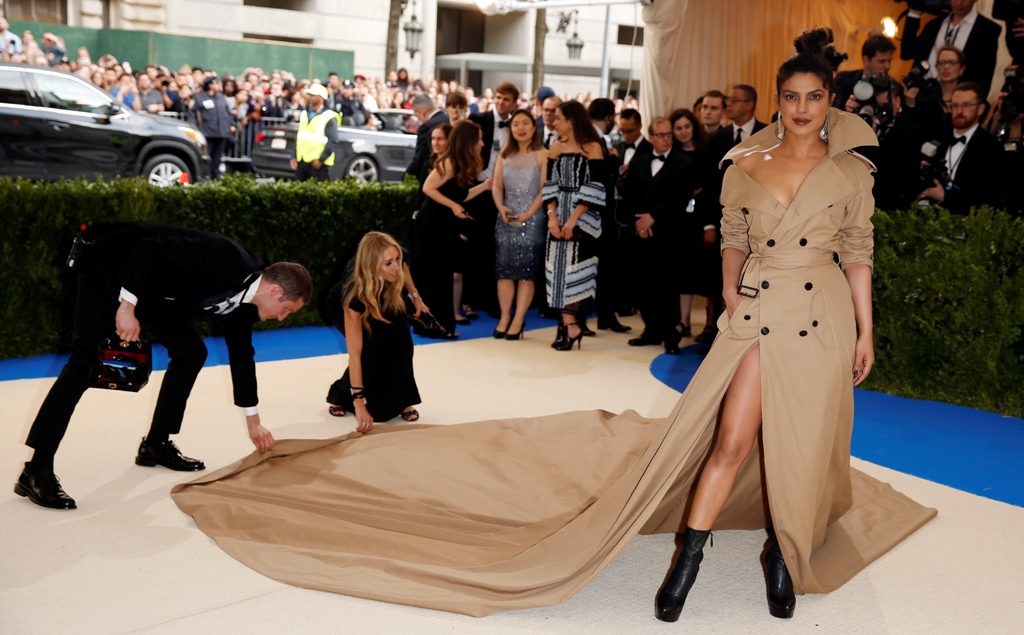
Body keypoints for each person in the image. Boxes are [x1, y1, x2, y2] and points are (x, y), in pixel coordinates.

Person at [653, 28, 892, 621]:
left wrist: (866, 331)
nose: (803, 109)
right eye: (791, 97)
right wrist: (731, 291)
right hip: (760, 308)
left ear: (830, 100)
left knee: (802, 447)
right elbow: (732, 239)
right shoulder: (744, 165)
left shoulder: (854, 172)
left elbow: (858, 253)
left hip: (822, 310)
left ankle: (784, 556)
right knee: (732, 441)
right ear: (777, 100)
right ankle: (688, 558)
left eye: (815, 97)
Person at [16, 223, 311, 510]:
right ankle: (36, 471)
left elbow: (242, 356)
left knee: (191, 352)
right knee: (83, 364)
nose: (283, 317)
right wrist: (127, 307)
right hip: (112, 264)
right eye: (287, 309)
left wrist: (253, 420)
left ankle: (156, 443)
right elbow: (150, 248)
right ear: (274, 291)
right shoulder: (226, 257)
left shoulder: (248, 304)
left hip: (157, 289)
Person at [326, 232, 424, 428]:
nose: (396, 266)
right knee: (369, 351)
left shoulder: (393, 267)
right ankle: (342, 393)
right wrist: (360, 405)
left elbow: (403, 267)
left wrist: (416, 297)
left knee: (402, 342)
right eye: (388, 263)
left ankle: (404, 398)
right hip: (349, 304)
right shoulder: (354, 295)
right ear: (372, 265)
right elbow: (355, 355)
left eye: (396, 259)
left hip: (386, 293)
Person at [622, 116, 699, 354]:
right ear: (651, 136)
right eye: (661, 134)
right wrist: (640, 223)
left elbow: (681, 198)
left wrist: (653, 217)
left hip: (669, 234)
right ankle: (650, 330)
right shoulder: (639, 162)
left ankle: (671, 337)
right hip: (642, 233)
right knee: (643, 285)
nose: (666, 138)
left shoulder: (685, 162)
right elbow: (632, 196)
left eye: (669, 134)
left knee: (667, 287)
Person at [701, 84, 768, 342]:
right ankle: (717, 330)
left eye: (735, 100)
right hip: (724, 219)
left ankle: (751, 333)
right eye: (728, 100)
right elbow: (709, 184)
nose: (729, 104)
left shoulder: (768, 135)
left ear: (750, 104)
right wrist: (708, 223)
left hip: (759, 220)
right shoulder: (718, 138)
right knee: (720, 277)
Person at [414, 121, 493, 336]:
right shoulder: (449, 162)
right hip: (431, 226)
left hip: (441, 225)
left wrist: (484, 187)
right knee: (434, 279)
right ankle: (435, 328)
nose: (482, 144)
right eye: (479, 139)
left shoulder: (460, 163)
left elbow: (461, 195)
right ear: (469, 141)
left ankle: (441, 326)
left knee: (441, 278)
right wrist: (453, 206)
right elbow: (428, 188)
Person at [542, 101, 606, 351]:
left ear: (571, 120)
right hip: (557, 216)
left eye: (558, 118)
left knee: (575, 273)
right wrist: (552, 216)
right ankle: (569, 324)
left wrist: (572, 219)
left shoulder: (593, 146)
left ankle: (571, 325)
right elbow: (549, 185)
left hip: (584, 220)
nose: (553, 122)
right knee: (555, 273)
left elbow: (597, 186)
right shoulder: (555, 146)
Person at [491, 109, 548, 340]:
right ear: (511, 128)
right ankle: (505, 316)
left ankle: (518, 319)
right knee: (504, 272)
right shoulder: (504, 154)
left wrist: (529, 214)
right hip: (506, 218)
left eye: (526, 123)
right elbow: (496, 186)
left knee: (526, 272)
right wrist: (500, 207)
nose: (521, 128)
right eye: (516, 124)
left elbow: (545, 189)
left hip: (532, 219)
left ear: (534, 128)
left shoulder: (543, 154)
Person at [918, 82, 1006, 215]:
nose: (959, 111)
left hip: (968, 226)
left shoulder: (992, 149)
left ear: (980, 109)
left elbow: (988, 199)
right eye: (955, 105)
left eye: (966, 105)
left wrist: (946, 197)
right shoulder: (937, 139)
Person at [666, 108, 716, 341]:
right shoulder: (671, 156)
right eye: (678, 128)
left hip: (704, 220)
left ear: (693, 128)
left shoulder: (707, 152)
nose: (683, 131)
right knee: (683, 273)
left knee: (708, 274)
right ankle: (683, 322)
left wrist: (710, 225)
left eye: (687, 126)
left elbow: (713, 190)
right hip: (679, 222)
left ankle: (710, 324)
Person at [900, 0, 1002, 95]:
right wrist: (914, 13)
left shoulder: (987, 30)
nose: (959, 3)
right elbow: (907, 52)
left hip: (958, 101)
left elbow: (985, 76)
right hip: (924, 94)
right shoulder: (934, 25)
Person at [289, 84, 341, 182]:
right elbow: (299, 138)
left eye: (313, 95)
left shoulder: (328, 116)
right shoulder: (304, 114)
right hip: (302, 161)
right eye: (310, 94)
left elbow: (333, 140)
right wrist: (293, 156)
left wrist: (321, 160)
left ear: (321, 98)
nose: (310, 97)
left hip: (318, 164)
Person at [836, 35, 896, 115]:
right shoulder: (844, 80)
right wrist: (846, 113)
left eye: (889, 61)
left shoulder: (894, 87)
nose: (888, 66)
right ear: (866, 60)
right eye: (882, 61)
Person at [192, 77, 236, 180]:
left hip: (221, 132)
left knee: (217, 157)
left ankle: (215, 176)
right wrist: (194, 127)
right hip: (208, 132)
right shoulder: (199, 97)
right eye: (216, 83)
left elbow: (227, 113)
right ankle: (204, 176)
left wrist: (232, 124)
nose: (218, 85)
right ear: (210, 85)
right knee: (206, 156)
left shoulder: (220, 97)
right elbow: (192, 113)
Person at [406, 93, 449, 180]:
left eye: (417, 116)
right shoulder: (448, 119)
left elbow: (420, 158)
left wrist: (407, 176)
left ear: (421, 112)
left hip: (434, 174)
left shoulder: (426, 127)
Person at [414, 122, 453, 212]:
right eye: (433, 139)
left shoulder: (454, 165)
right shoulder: (428, 164)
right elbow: (421, 194)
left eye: (440, 139)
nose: (436, 143)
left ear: (450, 140)